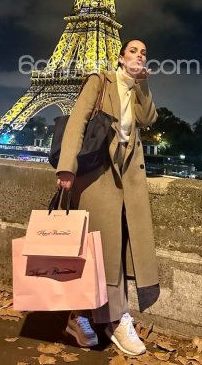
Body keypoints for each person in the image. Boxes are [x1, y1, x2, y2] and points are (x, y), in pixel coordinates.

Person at [56, 39, 159, 356]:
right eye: (133, 51)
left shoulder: (135, 89)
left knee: (109, 252)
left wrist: (142, 84)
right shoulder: (100, 81)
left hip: (127, 180)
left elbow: (148, 119)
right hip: (98, 178)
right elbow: (77, 121)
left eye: (144, 52)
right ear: (120, 56)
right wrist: (67, 167)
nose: (139, 55)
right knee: (103, 252)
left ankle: (78, 316)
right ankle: (116, 319)